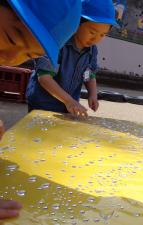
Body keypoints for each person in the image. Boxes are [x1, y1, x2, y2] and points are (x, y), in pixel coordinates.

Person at [0, 0, 82, 219]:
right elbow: (45, 78)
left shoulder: (89, 53)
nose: (10, 58)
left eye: (27, 55)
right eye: (10, 38)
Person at [26, 0, 117, 118]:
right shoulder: (57, 42)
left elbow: (89, 74)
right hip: (43, 103)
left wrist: (93, 94)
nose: (96, 39)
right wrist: (68, 100)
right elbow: (44, 77)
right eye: (92, 32)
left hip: (69, 106)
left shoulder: (91, 50)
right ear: (76, 22)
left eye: (102, 35)